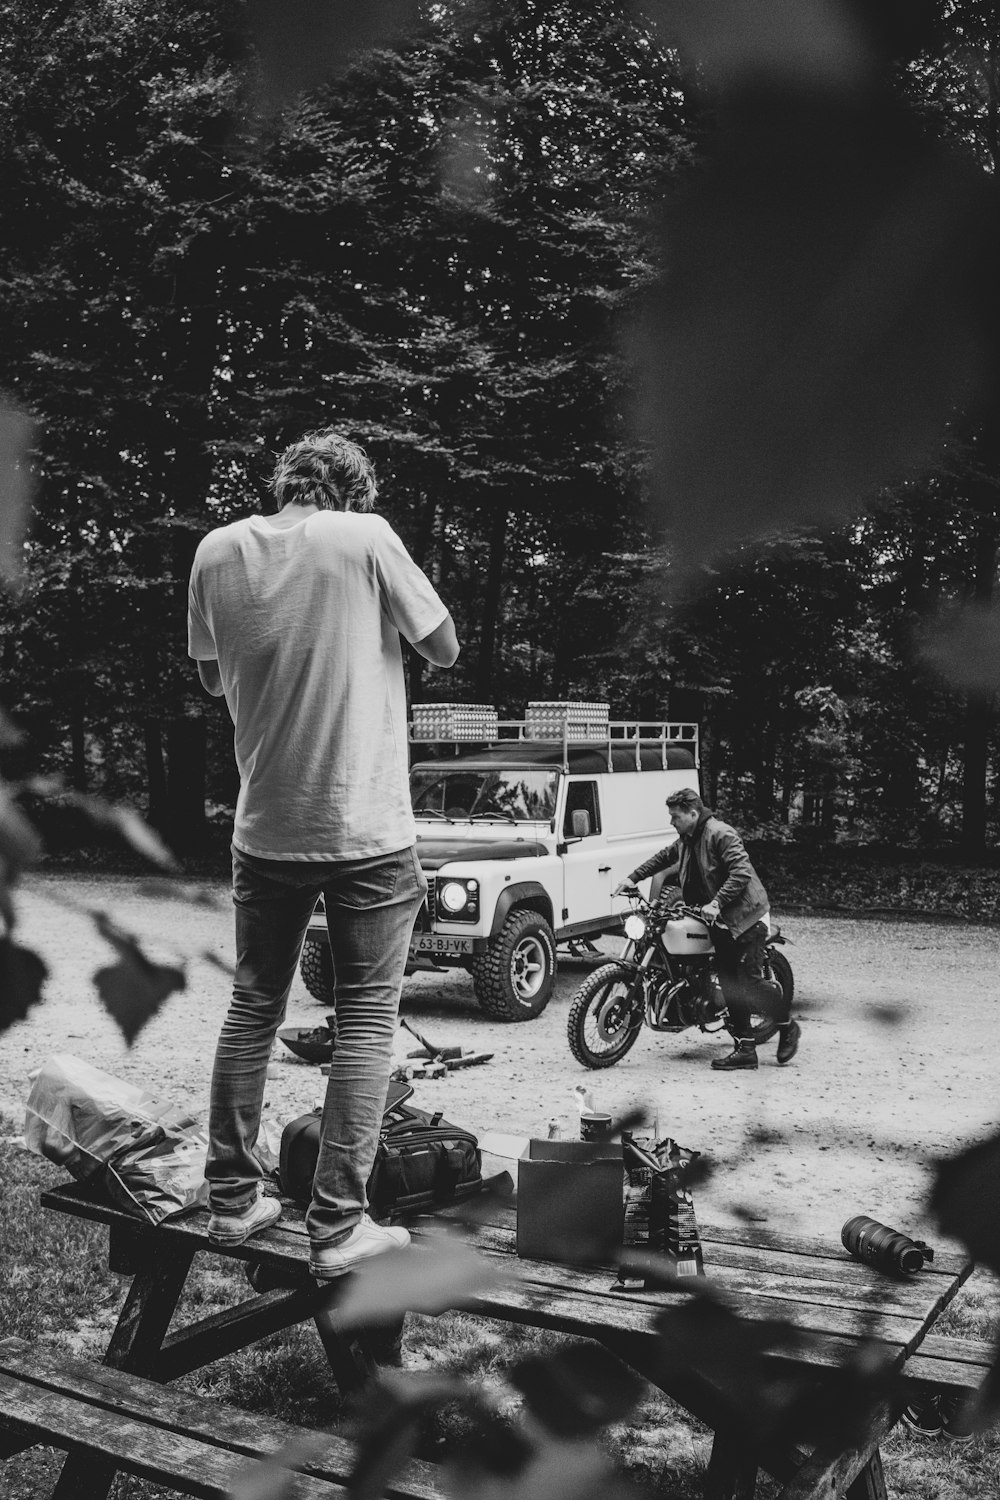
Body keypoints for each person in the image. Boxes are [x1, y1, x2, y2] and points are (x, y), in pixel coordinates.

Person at [188, 428, 459, 1279]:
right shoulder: (365, 536)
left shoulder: (216, 550)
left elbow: (210, 676)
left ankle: (232, 1199)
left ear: (287, 485)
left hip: (266, 824)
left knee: (253, 1005)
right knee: (369, 1016)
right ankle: (340, 1225)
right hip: (367, 828)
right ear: (353, 491)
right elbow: (443, 647)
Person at [614, 787, 801, 1071]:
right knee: (729, 984)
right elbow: (664, 857)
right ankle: (746, 1050)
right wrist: (632, 877)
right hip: (718, 920)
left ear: (692, 813)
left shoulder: (720, 833)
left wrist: (716, 902)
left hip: (745, 918)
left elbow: (741, 872)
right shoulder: (687, 839)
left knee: (748, 982)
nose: (671, 822)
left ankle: (787, 1026)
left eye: (675, 816)